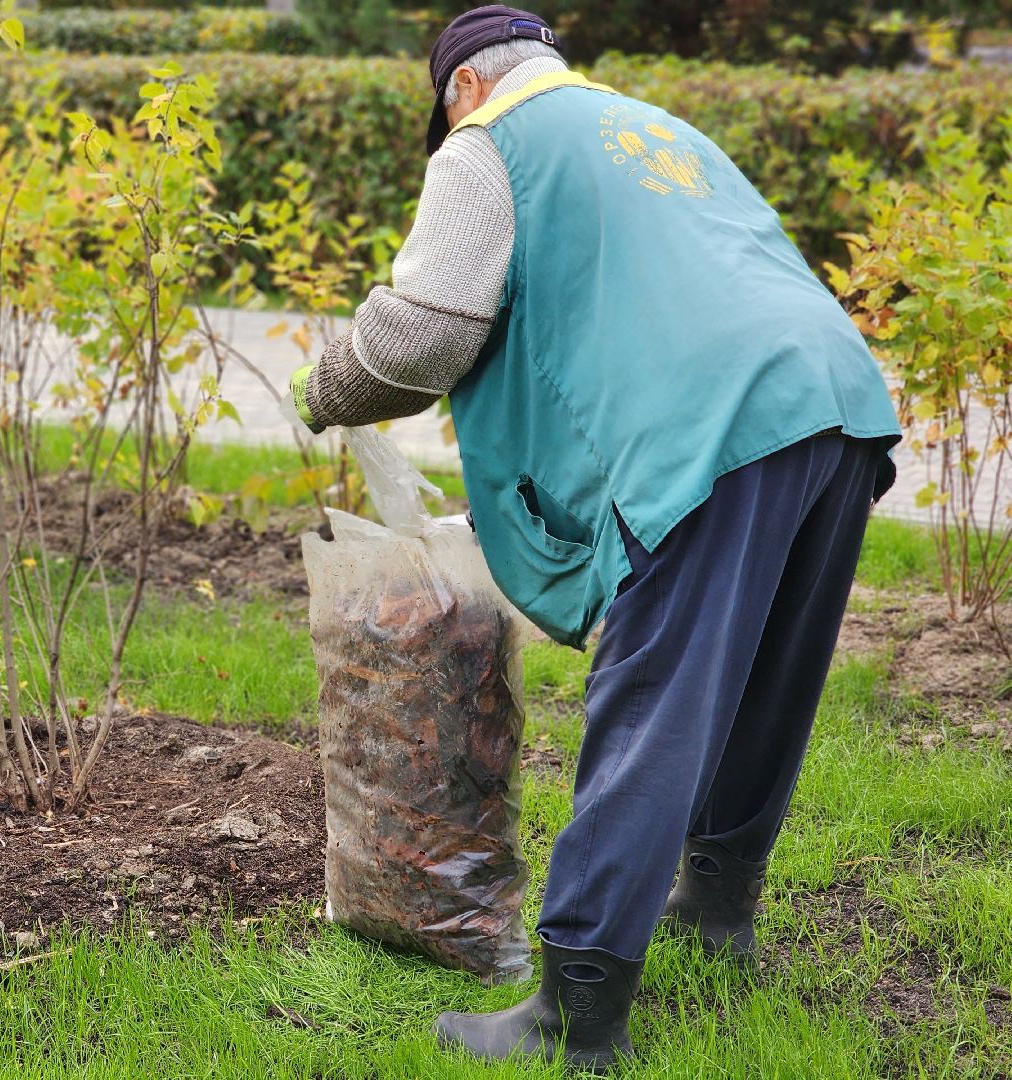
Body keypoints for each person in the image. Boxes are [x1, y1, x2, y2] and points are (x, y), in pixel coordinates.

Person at [283, 5, 902, 1073]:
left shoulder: (489, 143)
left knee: (654, 697)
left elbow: (426, 332)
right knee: (763, 676)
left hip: (713, 424)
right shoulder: (644, 128)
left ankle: (576, 1009)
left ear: (463, 88)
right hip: (835, 398)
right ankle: (716, 911)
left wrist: (324, 387)